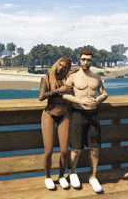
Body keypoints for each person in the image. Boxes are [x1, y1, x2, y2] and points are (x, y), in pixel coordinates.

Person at [39, 56, 91, 190]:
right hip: (49, 113)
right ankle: (48, 177)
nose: (61, 68)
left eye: (65, 67)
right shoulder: (45, 78)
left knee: (64, 151)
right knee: (49, 151)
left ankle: (61, 176)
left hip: (64, 114)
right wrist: (58, 91)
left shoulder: (66, 79)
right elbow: (41, 97)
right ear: (56, 64)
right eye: (60, 65)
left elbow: (80, 72)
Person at [65, 50, 108, 193]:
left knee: (95, 148)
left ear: (92, 61)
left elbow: (104, 93)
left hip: (93, 114)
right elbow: (65, 95)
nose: (85, 62)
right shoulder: (73, 77)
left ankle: (93, 177)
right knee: (76, 148)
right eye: (83, 59)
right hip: (78, 113)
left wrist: (97, 99)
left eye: (88, 60)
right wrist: (80, 100)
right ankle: (72, 173)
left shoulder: (96, 77)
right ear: (79, 60)